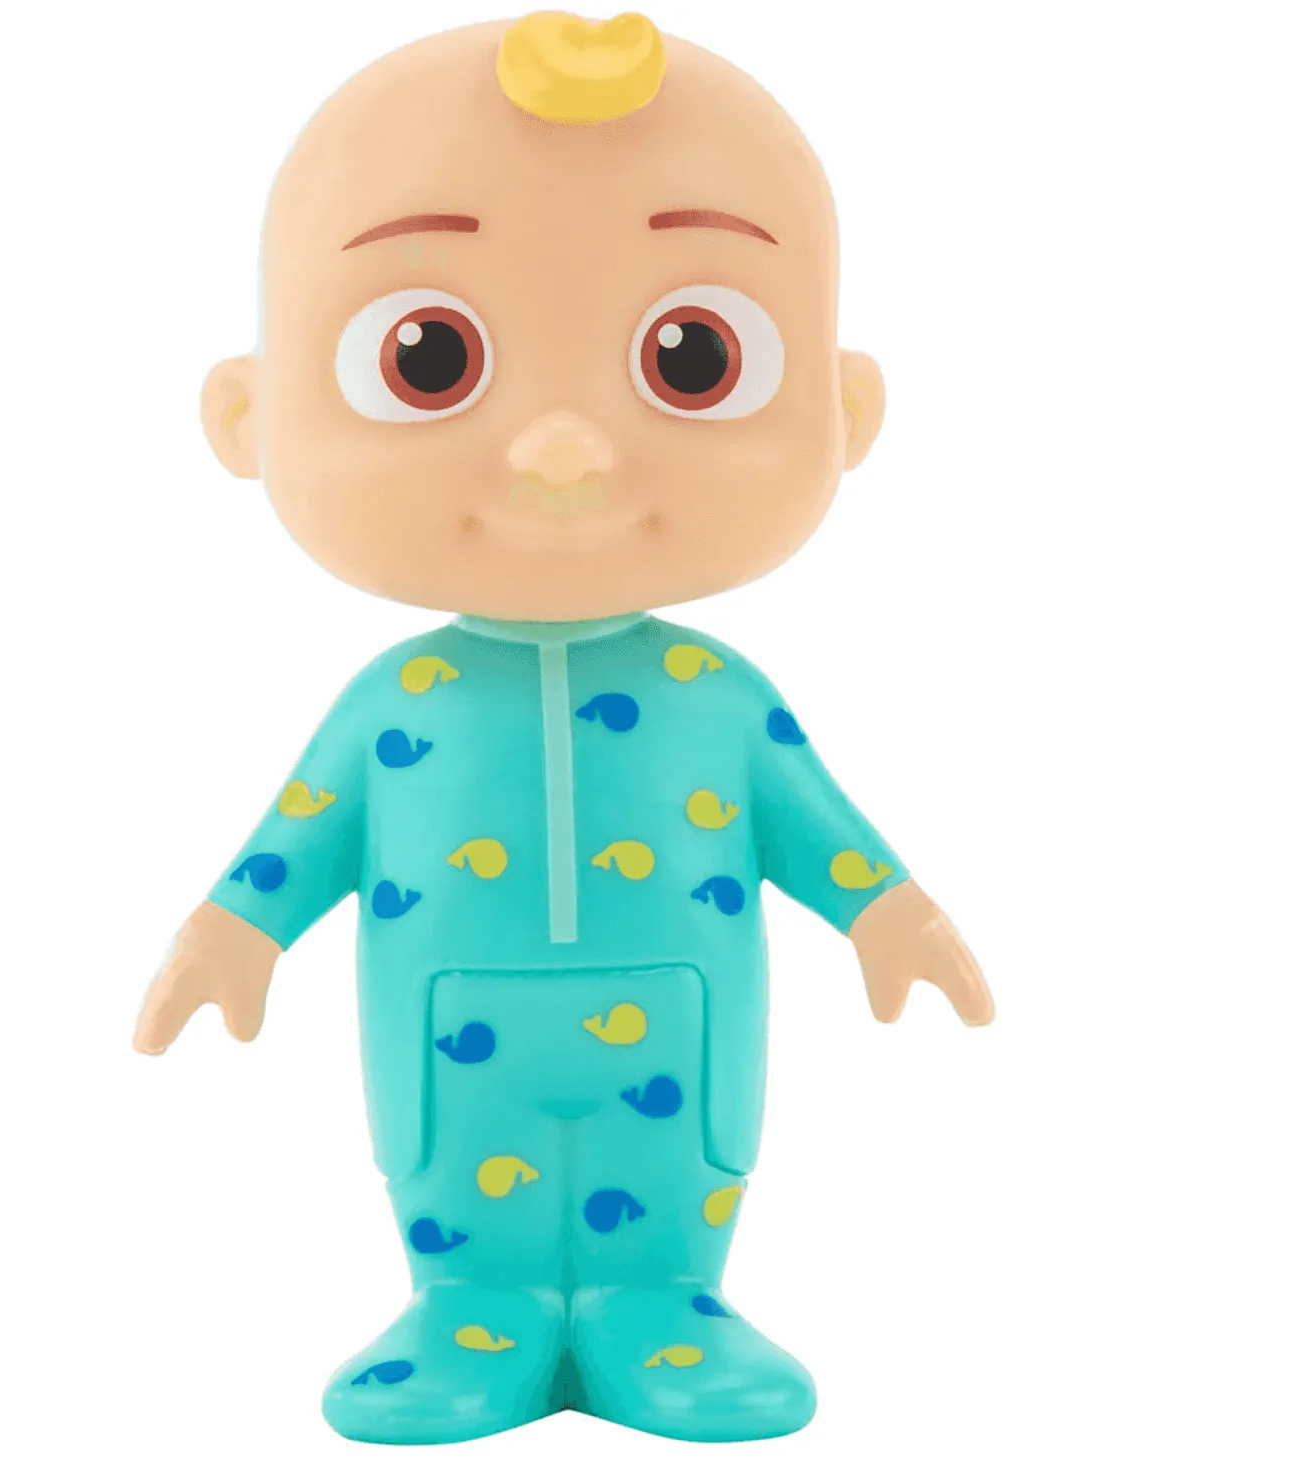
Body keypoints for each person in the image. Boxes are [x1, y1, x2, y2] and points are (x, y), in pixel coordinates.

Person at [133, 12, 994, 1443]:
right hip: (448, 1029)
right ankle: (470, 1309)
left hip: (681, 1018)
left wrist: (889, 912)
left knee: (683, 1160)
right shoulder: (396, 703)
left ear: (845, 409)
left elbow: (811, 819)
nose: (562, 447)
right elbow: (304, 832)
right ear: (247, 412)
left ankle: (665, 1303)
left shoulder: (719, 698)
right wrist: (234, 931)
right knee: (450, 1166)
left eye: (691, 357)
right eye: (429, 358)